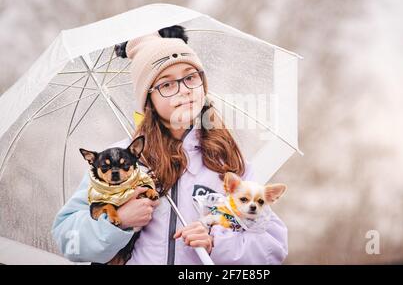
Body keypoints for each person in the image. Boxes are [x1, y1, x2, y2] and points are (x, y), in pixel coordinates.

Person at [51, 25, 288, 264]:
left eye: (190, 77)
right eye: (166, 84)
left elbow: (272, 248)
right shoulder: (118, 159)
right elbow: (68, 239)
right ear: (149, 99)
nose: (184, 90)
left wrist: (216, 242)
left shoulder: (228, 163)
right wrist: (119, 221)